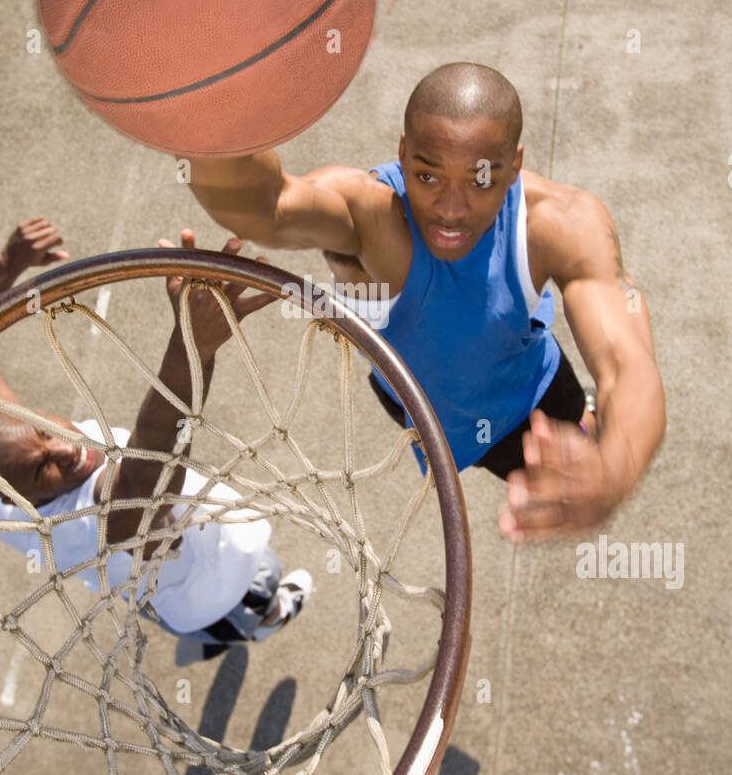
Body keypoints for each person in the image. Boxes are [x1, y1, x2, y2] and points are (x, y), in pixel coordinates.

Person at [189, 62, 666, 542]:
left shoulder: (558, 223)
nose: (451, 208)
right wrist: (201, 105)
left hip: (529, 390)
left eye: (480, 181)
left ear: (515, 165)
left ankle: (584, 424)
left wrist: (614, 470)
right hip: (424, 407)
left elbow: (629, 365)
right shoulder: (374, 218)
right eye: (427, 176)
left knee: (575, 437)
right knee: (494, 447)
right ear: (402, 152)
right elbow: (267, 206)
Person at [0, 217, 312, 659]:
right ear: (17, 497)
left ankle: (212, 629)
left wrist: (8, 263)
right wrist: (190, 346)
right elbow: (148, 465)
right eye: (44, 468)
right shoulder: (85, 522)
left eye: (44, 429)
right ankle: (263, 618)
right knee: (256, 589)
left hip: (161, 573)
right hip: (212, 585)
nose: (64, 448)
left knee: (173, 588)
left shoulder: (6, 452)